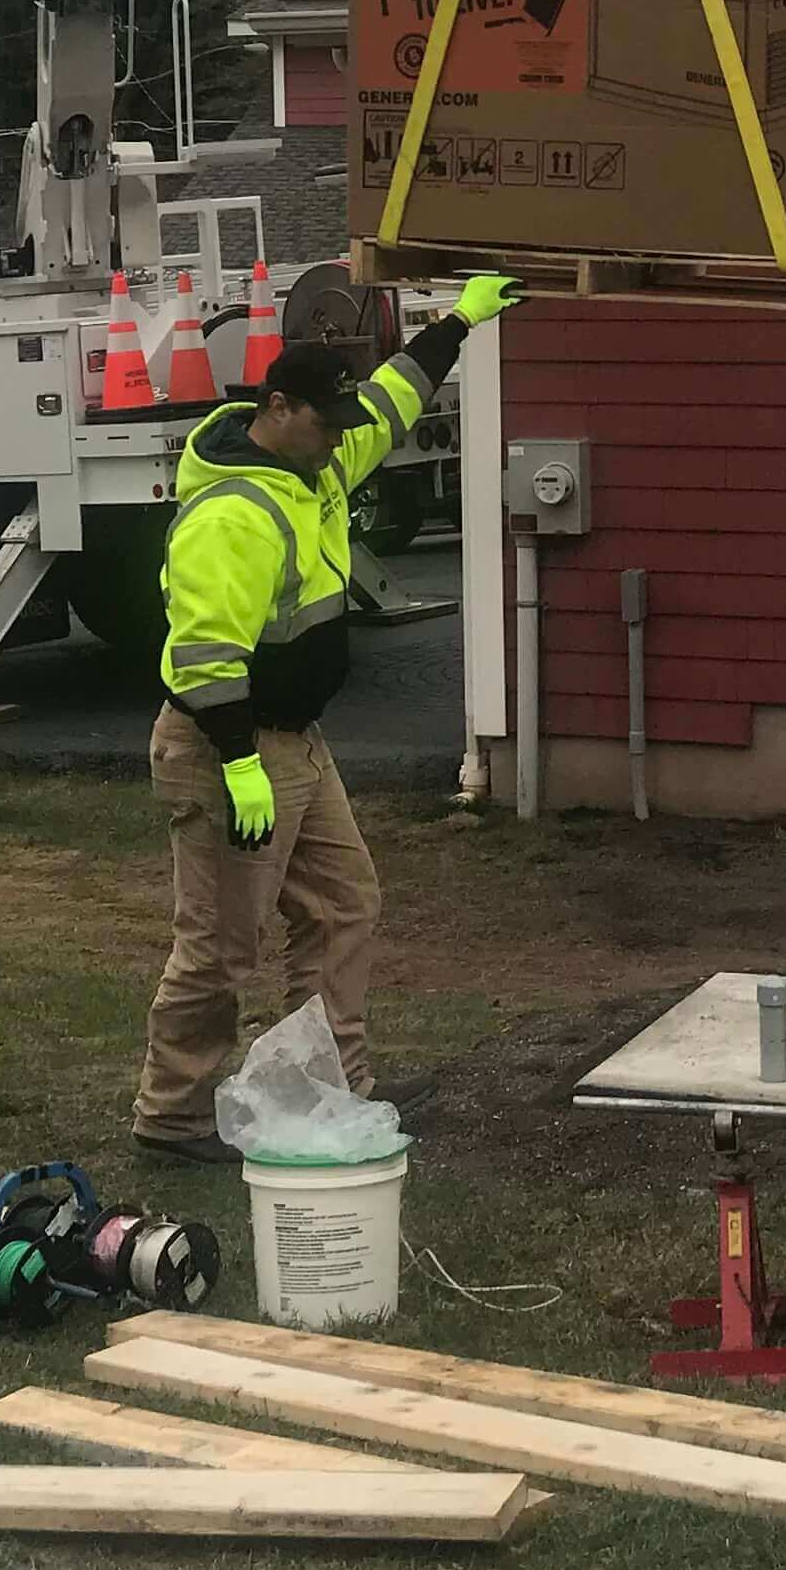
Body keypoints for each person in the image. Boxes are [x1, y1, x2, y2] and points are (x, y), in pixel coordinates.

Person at [131, 276, 521, 1165]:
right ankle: (174, 1118)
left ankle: (330, 1089)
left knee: (345, 904)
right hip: (227, 748)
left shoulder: (317, 459)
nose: (341, 440)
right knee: (223, 949)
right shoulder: (234, 512)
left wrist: (455, 325)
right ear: (277, 408)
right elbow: (202, 660)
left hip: (296, 744)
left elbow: (387, 402)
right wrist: (237, 768)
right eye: (324, 424)